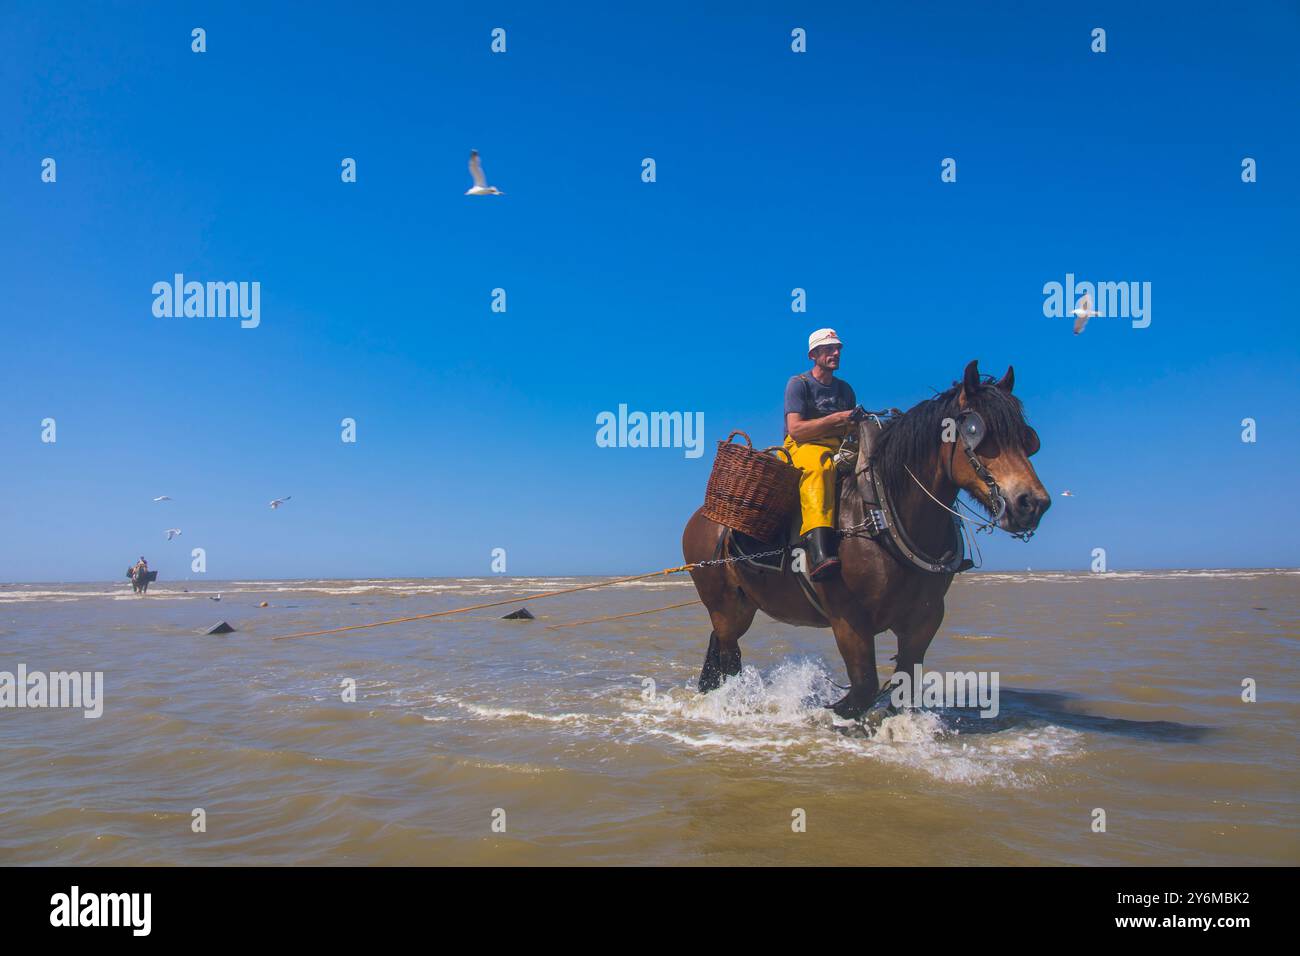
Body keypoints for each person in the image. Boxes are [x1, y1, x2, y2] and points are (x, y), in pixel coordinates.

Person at [783, 329, 858, 580]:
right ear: (813, 354)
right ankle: (818, 551)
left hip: (838, 445)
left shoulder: (845, 390)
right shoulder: (799, 384)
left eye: (837, 348)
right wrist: (837, 418)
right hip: (804, 446)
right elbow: (796, 430)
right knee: (819, 468)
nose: (835, 353)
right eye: (828, 349)